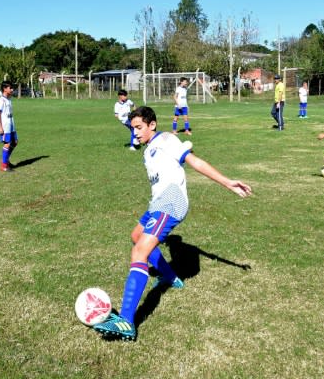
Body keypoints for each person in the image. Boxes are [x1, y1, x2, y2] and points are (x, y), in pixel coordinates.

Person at [92, 106, 252, 341]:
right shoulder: (148, 151)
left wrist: (227, 183)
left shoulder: (167, 139)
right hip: (157, 204)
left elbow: (195, 161)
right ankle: (170, 276)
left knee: (139, 252)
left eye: (139, 128)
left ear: (152, 125)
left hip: (171, 204)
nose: (135, 133)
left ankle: (127, 321)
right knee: (137, 236)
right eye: (133, 128)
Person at [0, 81, 18, 172]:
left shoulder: (8, 99)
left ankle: (6, 161)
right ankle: (4, 165)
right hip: (5, 126)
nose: (12, 89)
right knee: (7, 143)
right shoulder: (1, 100)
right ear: (5, 89)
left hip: (11, 124)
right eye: (10, 88)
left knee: (15, 142)